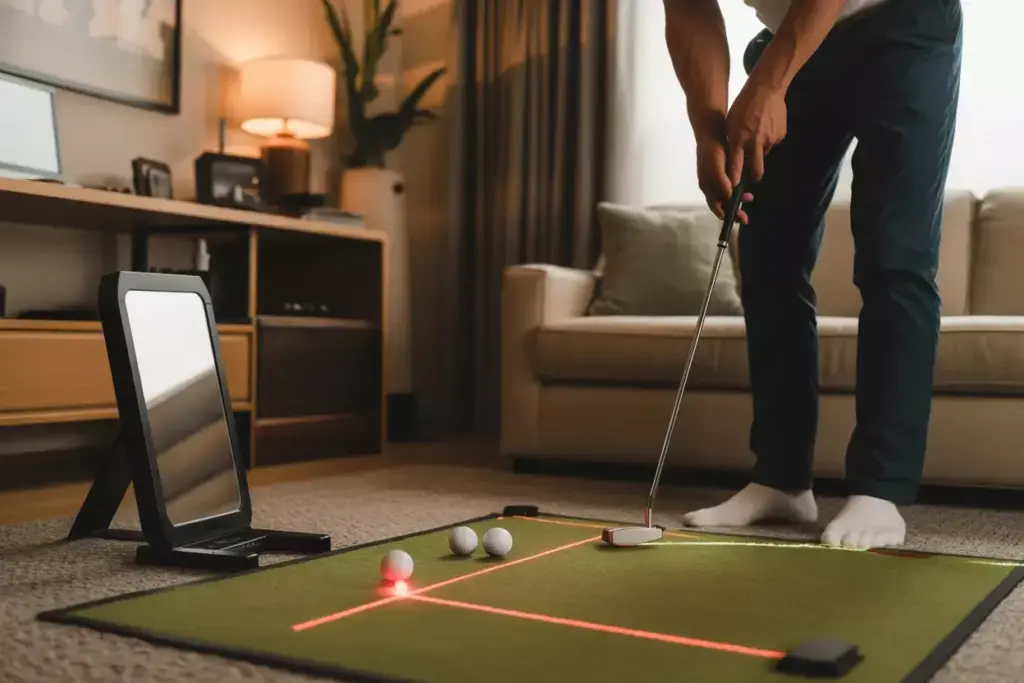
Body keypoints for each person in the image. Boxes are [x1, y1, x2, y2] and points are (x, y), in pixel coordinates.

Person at [663, 0, 963, 549]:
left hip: (904, 25)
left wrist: (770, 83)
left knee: (895, 257)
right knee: (768, 254)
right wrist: (708, 128)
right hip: (793, 42)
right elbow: (688, 11)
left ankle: (880, 489)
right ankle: (781, 478)